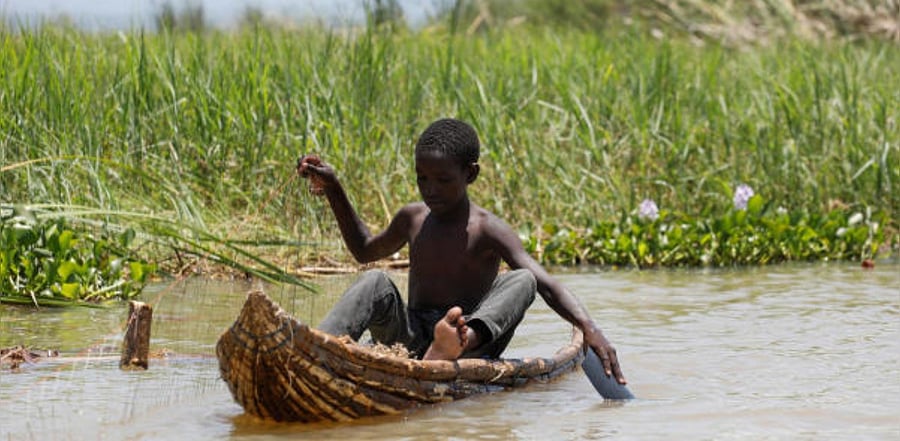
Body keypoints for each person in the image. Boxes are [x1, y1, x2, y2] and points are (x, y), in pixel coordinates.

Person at [297, 118, 626, 384]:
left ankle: (449, 347)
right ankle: (312, 352)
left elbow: (548, 286)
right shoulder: (412, 217)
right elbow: (364, 250)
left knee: (524, 279)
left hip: (469, 340)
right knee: (374, 281)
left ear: (470, 174)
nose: (430, 190)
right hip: (410, 337)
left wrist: (590, 329)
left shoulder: (487, 228)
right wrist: (334, 190)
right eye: (422, 178)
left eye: (443, 180)